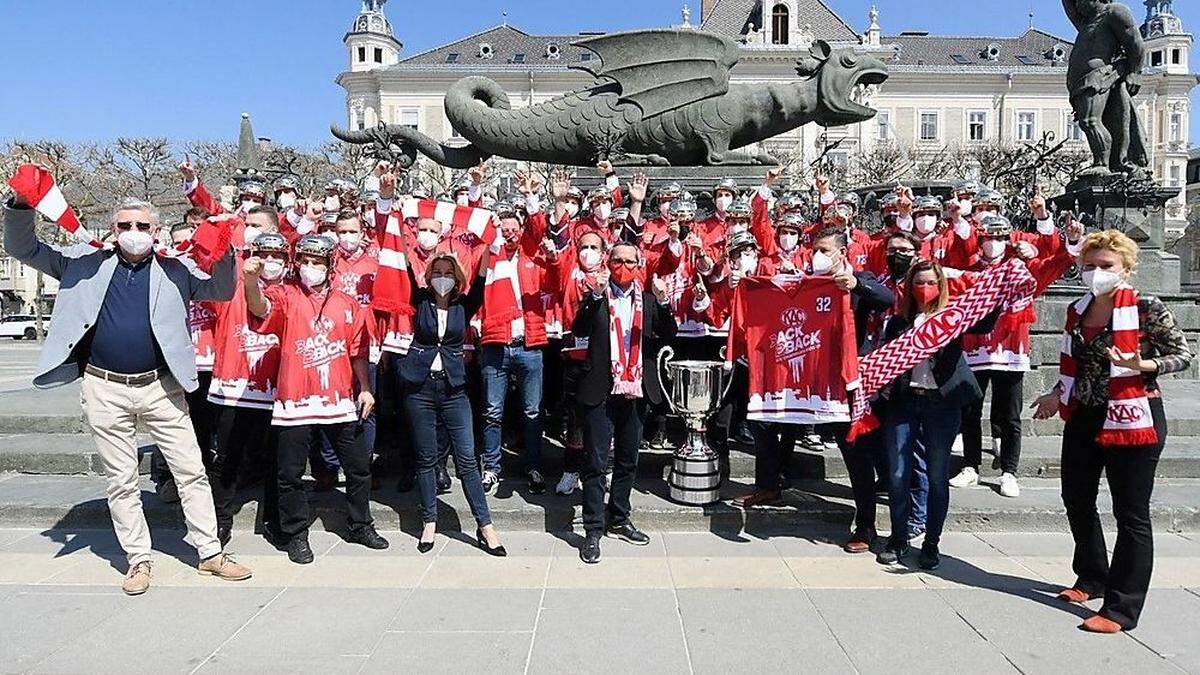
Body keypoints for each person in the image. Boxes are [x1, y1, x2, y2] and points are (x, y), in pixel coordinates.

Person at [3, 192, 251, 594]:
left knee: (192, 472)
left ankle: (210, 553)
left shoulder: (176, 268)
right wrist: (20, 206)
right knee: (121, 480)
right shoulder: (83, 263)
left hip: (161, 387)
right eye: (124, 226)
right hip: (105, 388)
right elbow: (22, 246)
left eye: (141, 226)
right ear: (113, 231)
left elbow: (222, 290)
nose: (132, 233)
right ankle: (138, 559)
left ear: (156, 231)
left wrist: (224, 244)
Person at [1031, 230, 1192, 633]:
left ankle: (1122, 608)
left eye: (1106, 266)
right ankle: (1091, 577)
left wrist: (1144, 366)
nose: (1096, 273)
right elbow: (1075, 365)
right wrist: (1055, 395)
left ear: (1126, 269)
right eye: (1090, 266)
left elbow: (1183, 355)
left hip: (1134, 417)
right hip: (1086, 415)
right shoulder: (1077, 309)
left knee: (1131, 513)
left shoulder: (1145, 307)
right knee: (1076, 498)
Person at [243, 234, 389, 564]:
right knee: (290, 473)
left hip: (338, 401)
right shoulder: (285, 295)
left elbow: (357, 352)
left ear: (329, 267)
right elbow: (258, 308)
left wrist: (365, 388)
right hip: (295, 401)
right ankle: (295, 533)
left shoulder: (347, 303)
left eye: (317, 263)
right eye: (305, 262)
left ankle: (360, 524)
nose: (311, 269)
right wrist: (251, 280)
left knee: (358, 466)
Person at [393, 221, 507, 555]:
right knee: (427, 458)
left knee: (468, 459)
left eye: (448, 271)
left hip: (454, 388)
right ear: (429, 276)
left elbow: (484, 275)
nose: (442, 275)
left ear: (456, 277)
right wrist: (398, 231)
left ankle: (485, 525)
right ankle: (429, 521)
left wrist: (488, 235)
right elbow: (402, 263)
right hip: (420, 389)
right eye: (437, 270)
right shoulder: (421, 300)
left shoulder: (463, 304)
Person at [877, 259, 996, 570]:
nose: (924, 289)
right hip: (904, 402)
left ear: (941, 286)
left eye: (931, 283)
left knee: (937, 475)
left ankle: (932, 543)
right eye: (918, 283)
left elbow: (985, 321)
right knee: (899, 473)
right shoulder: (898, 323)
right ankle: (898, 537)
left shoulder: (952, 317)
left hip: (941, 404)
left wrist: (981, 280)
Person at [572, 242, 677, 563]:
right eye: (617, 260)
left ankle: (619, 517)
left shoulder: (647, 301)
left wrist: (663, 301)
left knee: (629, 459)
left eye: (630, 261)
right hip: (600, 388)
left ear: (639, 264)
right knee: (595, 462)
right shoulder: (597, 295)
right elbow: (579, 329)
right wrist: (593, 296)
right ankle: (592, 528)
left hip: (635, 389)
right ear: (608, 262)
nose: (623, 266)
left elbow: (669, 333)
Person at [205, 232, 289, 545]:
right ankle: (220, 520)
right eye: (263, 255)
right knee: (227, 459)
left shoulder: (292, 291)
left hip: (275, 391)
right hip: (233, 387)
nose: (270, 262)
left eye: (277, 256)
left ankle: (273, 520)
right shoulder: (229, 287)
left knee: (276, 462)